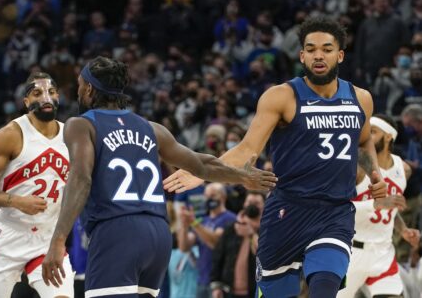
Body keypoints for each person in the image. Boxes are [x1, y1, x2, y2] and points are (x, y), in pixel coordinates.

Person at [164, 17, 388, 298]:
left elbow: (364, 141)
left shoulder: (361, 98)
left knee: (324, 289)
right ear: (302, 55)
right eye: (311, 48)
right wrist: (202, 170)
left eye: (327, 49)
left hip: (335, 212)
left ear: (340, 54)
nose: (319, 55)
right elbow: (247, 150)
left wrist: (375, 173)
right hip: (287, 212)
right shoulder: (282, 96)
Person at [41, 56, 276, 297]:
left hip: (116, 230)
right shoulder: (152, 128)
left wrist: (58, 240)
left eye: (80, 84)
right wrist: (240, 176)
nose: (78, 91)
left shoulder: (80, 125)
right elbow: (201, 164)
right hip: (158, 234)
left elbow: (81, 179)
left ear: (89, 88)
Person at [0, 72, 74, 297]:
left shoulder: (71, 135)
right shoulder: (11, 134)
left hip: (48, 238)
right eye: (37, 93)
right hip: (9, 237)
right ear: (26, 101)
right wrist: (15, 201)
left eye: (51, 91)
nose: (46, 97)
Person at [337, 114, 420, 298]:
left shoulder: (403, 169)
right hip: (351, 253)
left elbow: (390, 208)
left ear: (389, 136)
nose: (367, 138)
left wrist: (403, 229)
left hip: (383, 253)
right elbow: (338, 210)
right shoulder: (356, 168)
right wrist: (375, 204)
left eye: (373, 132)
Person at [177, 182, 237, 298]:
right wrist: (184, 225)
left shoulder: (230, 219)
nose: (209, 199)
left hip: (220, 283)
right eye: (207, 195)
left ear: (223, 196)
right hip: (202, 280)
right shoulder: (203, 220)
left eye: (213, 195)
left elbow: (216, 243)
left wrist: (194, 223)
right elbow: (184, 247)